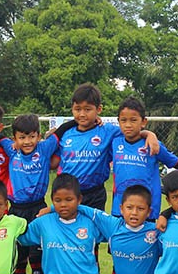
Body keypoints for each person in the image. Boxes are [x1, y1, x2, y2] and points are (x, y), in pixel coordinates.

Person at [52, 83, 159, 215]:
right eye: (77, 109)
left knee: (95, 231)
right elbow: (53, 163)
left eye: (87, 109)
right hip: (68, 194)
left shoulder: (108, 131)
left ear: (99, 109)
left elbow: (132, 132)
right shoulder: (66, 133)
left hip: (95, 194)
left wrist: (149, 134)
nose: (82, 114)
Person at [21, 174, 107, 274]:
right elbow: (20, 236)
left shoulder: (90, 223)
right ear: (52, 199)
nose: (63, 205)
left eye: (69, 199)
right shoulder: (43, 223)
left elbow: (115, 230)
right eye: (57, 201)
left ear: (79, 199)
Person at [0, 113, 59, 274]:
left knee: (37, 258)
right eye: (22, 137)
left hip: (38, 209)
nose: (27, 141)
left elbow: (62, 132)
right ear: (14, 138)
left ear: (39, 136)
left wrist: (59, 129)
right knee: (18, 258)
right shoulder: (11, 150)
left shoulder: (44, 148)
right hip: (15, 210)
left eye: (32, 136)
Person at [93, 185, 161, 274]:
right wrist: (52, 209)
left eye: (140, 209)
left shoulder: (155, 231)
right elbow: (90, 212)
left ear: (149, 211)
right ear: (121, 208)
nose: (134, 213)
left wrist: (165, 216)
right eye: (129, 207)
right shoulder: (114, 227)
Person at [110, 97, 178, 218]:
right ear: (118, 121)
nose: (128, 125)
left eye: (133, 120)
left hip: (147, 211)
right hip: (120, 210)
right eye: (123, 120)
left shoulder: (153, 144)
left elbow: (175, 162)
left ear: (143, 122)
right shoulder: (114, 142)